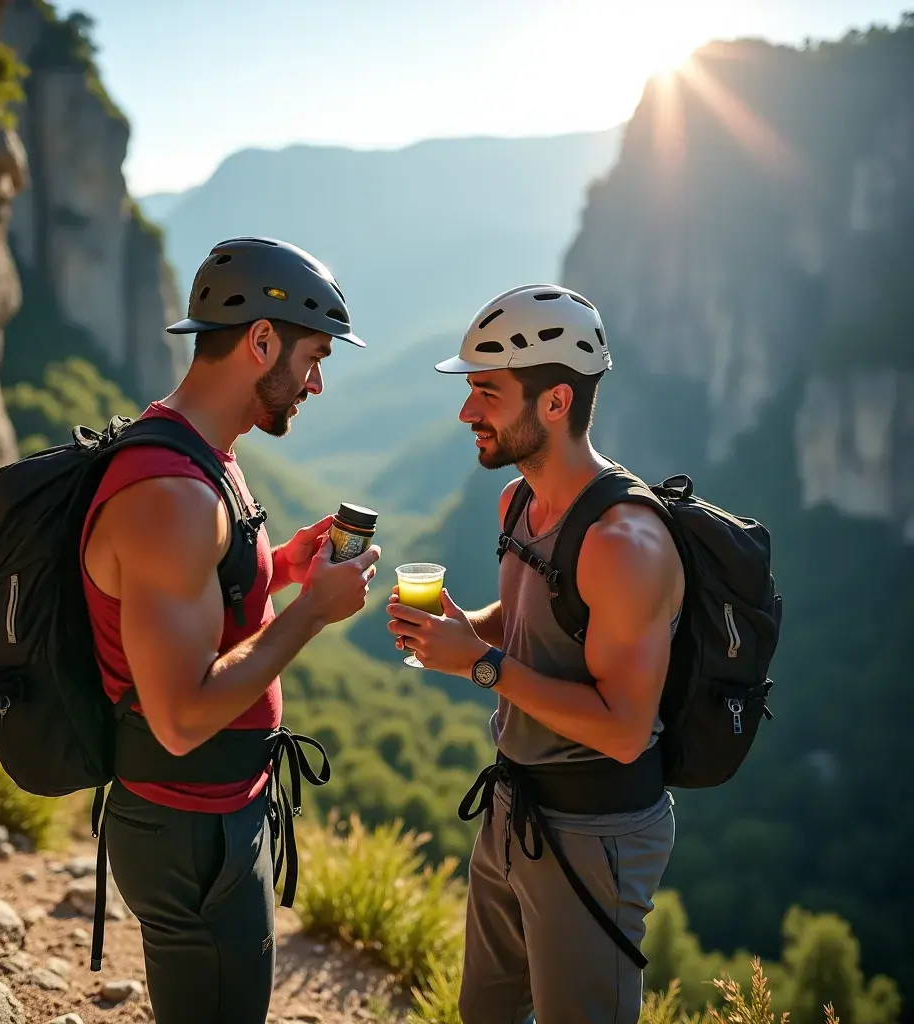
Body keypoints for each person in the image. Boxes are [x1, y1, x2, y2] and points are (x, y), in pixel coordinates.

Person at [80, 237, 380, 1024]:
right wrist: (313, 612)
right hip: (189, 825)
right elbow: (179, 717)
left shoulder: (203, 453)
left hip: (211, 813)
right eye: (314, 357)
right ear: (260, 341)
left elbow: (207, 595)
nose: (316, 381)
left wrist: (281, 568)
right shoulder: (174, 495)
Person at [386, 284, 683, 1024]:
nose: (465, 412)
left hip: (597, 830)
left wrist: (479, 665)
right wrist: (467, 628)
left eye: (486, 392)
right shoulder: (517, 502)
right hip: (513, 804)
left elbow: (623, 729)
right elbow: (529, 623)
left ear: (555, 402)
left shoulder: (625, 544)